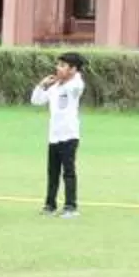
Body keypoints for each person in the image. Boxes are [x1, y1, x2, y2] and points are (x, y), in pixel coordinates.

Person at [28, 52, 86, 216]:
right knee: (52, 172)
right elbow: (36, 101)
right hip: (54, 136)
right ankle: (50, 205)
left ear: (73, 69)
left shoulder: (76, 85)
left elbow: (76, 84)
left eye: (62, 66)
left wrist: (69, 77)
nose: (58, 68)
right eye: (58, 65)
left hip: (69, 136)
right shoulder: (55, 88)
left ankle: (70, 206)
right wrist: (42, 85)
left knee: (68, 172)